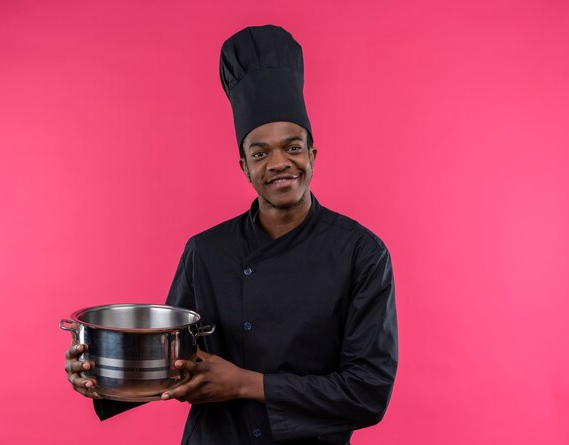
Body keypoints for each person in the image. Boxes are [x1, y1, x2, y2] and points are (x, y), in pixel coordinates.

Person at [64, 25, 398, 445]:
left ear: (312, 154)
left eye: (292, 147)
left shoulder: (361, 253)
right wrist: (98, 376)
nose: (279, 162)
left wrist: (243, 383)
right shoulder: (206, 251)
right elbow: (168, 362)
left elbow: (368, 392)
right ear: (243, 165)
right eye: (260, 152)